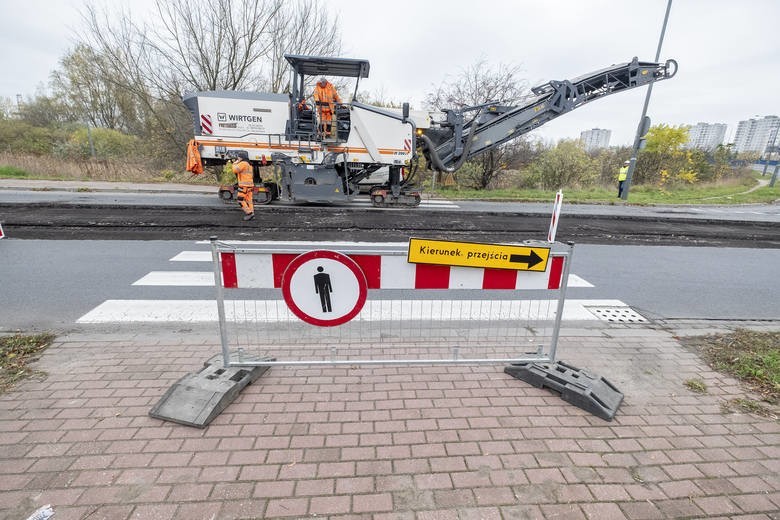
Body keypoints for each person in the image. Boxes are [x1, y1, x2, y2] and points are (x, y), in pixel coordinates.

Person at [230, 151, 254, 221]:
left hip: (244, 186)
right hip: (249, 185)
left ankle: (248, 213)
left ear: (241, 158)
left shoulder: (243, 163)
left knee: (240, 200)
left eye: (238, 157)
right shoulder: (249, 165)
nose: (238, 158)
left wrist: (234, 163)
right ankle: (252, 213)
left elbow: (235, 170)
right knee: (249, 200)